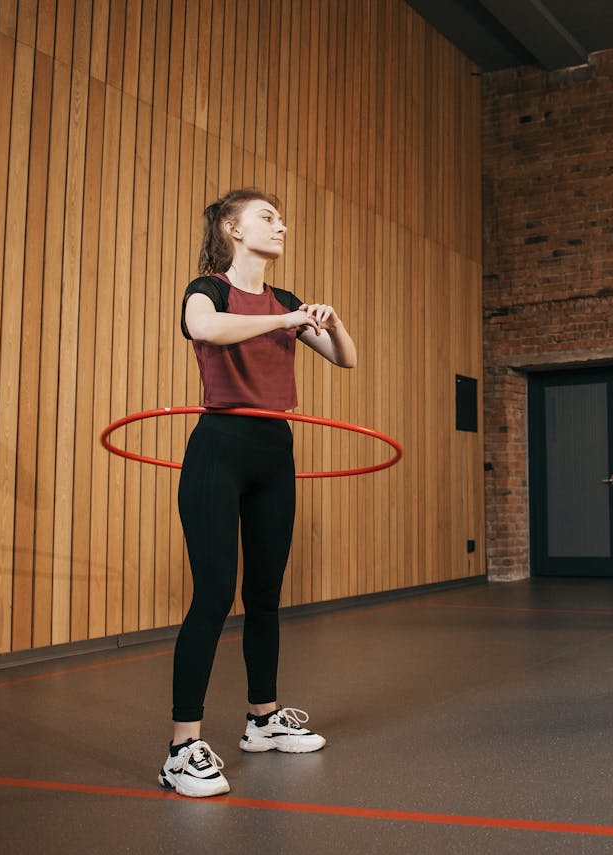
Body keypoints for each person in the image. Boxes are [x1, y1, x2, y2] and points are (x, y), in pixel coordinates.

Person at [159, 189, 357, 797]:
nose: (282, 225)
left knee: (266, 593)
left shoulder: (288, 302)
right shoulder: (210, 288)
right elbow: (204, 328)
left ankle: (263, 721)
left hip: (275, 450)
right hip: (220, 446)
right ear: (231, 227)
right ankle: (180, 748)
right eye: (267, 217)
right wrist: (285, 321)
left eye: (281, 218)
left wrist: (328, 319)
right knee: (214, 594)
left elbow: (344, 359)